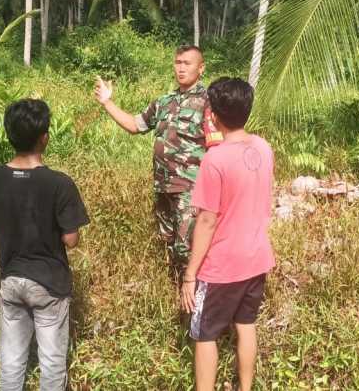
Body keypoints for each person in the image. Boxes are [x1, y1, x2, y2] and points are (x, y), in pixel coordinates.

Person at [0, 99, 90, 391]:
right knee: (51, 363)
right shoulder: (59, 183)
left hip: (11, 279)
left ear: (9, 135)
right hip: (49, 284)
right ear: (45, 137)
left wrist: (7, 230)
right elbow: (71, 240)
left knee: (11, 362)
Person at [180, 78, 275, 391]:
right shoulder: (263, 147)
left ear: (214, 114)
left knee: (204, 333)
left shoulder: (215, 159)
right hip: (257, 257)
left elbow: (207, 220)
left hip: (222, 265)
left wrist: (190, 274)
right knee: (246, 324)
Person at [94, 45, 216, 278]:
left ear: (201, 68)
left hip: (191, 191)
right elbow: (134, 125)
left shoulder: (209, 102)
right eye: (177, 62)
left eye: (187, 63)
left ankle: (197, 302)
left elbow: (218, 145)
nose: (181, 68)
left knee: (187, 248)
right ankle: (177, 300)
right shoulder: (163, 102)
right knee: (167, 247)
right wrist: (107, 102)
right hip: (163, 188)